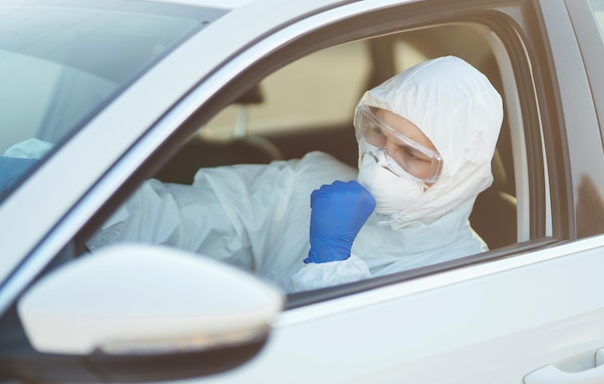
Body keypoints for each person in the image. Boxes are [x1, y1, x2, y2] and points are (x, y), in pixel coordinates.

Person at [84, 55, 503, 292]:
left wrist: (331, 265)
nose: (382, 161)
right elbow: (190, 220)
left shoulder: (463, 275)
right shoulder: (306, 183)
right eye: (378, 134)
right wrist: (82, 199)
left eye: (411, 154)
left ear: (457, 175)